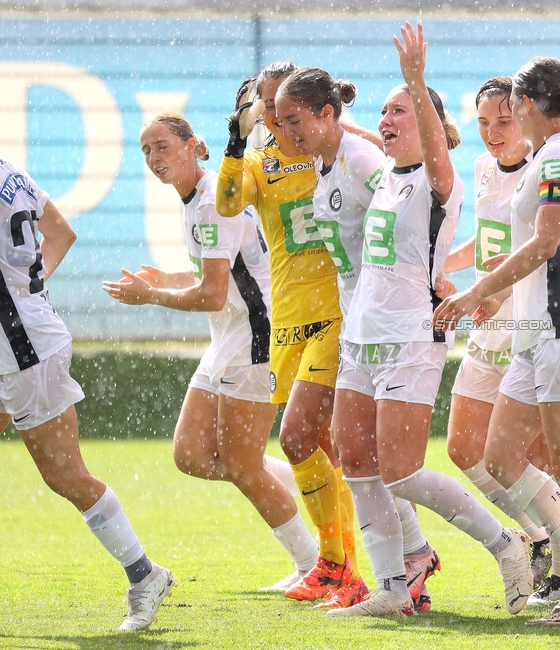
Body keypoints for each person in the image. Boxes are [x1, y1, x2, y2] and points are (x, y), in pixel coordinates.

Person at [325, 21, 534, 618]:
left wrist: (416, 82)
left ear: (430, 125)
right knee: (355, 460)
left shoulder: (439, 180)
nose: (387, 119)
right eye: (385, 111)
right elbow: (357, 134)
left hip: (412, 337)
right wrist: (323, 120)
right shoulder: (387, 175)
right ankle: (393, 587)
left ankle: (506, 546)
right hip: (362, 337)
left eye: (401, 110)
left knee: (401, 470)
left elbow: (434, 151)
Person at [435, 55, 560, 628]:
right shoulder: (546, 157)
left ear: (528, 106)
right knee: (498, 456)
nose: (503, 119)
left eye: (510, 108)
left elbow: (545, 241)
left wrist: (473, 293)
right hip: (537, 334)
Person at [103, 113, 318, 594]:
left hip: (255, 339)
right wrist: (166, 279)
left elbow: (215, 294)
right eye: (146, 152)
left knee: (243, 467)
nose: (154, 159)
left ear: (192, 146)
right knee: (191, 455)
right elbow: (217, 275)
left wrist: (151, 296)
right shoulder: (199, 197)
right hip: (228, 338)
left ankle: (313, 564)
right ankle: (310, 482)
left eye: (161, 146)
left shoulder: (211, 203)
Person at [274, 65, 438, 611]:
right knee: (352, 451)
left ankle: (464, 550)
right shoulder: (325, 165)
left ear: (324, 114)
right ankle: (397, 569)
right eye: (277, 121)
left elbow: (409, 216)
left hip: (385, 324)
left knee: (366, 453)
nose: (284, 132)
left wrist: (428, 277)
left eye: (293, 120)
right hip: (357, 321)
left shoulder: (362, 161)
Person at [0, 153, 174, 631]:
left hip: (22, 353)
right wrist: (26, 293)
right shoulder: (9, 172)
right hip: (25, 336)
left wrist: (19, 299)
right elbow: (61, 234)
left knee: (66, 476)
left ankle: (146, 576)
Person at [216, 62, 360, 599]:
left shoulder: (337, 152)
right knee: (320, 443)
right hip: (288, 319)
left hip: (337, 312)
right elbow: (228, 204)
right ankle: (347, 566)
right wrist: (234, 141)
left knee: (305, 438)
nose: (278, 120)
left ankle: (339, 562)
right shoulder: (259, 161)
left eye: (285, 109)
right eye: (268, 110)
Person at [439, 76, 556, 591]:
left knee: (530, 457)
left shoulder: (545, 173)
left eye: (504, 120)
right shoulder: (485, 168)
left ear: (525, 117)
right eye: (483, 122)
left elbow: (544, 253)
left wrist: (494, 295)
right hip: (489, 321)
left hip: (531, 323)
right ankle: (538, 537)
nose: (492, 132)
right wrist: (437, 264)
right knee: (464, 447)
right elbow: (486, 240)